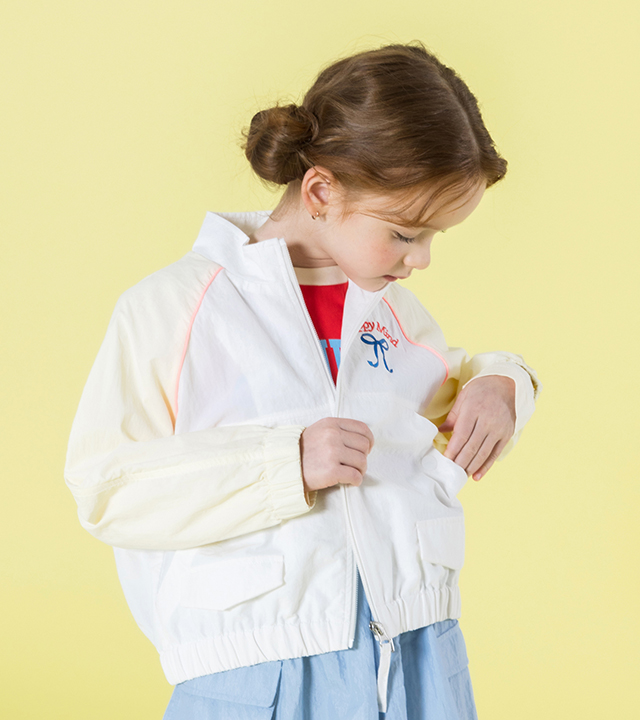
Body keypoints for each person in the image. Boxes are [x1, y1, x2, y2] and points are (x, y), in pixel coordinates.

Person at [64, 42, 541, 719]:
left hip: (420, 658)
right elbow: (106, 489)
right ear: (321, 191)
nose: (423, 260)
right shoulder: (175, 309)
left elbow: (459, 383)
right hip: (259, 672)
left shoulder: (393, 312)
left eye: (434, 237)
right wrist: (283, 464)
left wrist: (506, 384)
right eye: (406, 234)